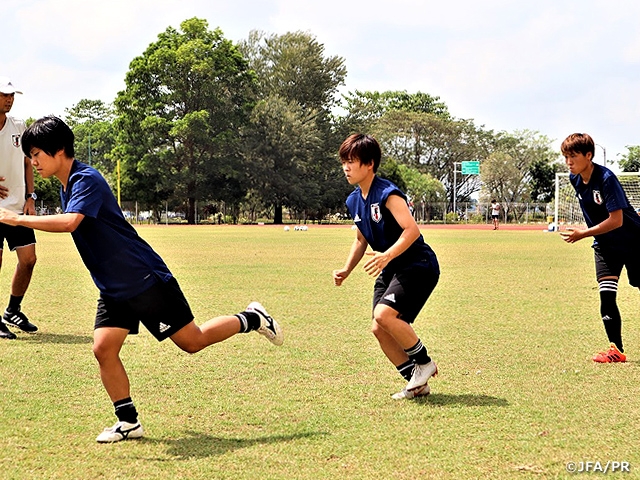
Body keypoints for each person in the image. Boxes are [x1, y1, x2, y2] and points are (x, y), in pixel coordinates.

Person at [0, 116, 284, 442]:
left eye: (36, 154)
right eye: (30, 155)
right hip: (114, 287)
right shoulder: (67, 186)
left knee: (193, 341)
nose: (32, 162)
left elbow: (71, 223)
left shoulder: (85, 179)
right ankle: (128, 422)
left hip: (143, 279)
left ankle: (252, 318)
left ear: (59, 149)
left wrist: (17, 218)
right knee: (104, 348)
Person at [333, 133, 440, 400]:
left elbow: (411, 230)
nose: (346, 167)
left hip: (417, 263)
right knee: (378, 328)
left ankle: (425, 363)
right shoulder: (353, 200)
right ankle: (416, 383)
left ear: (369, 164)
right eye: (344, 161)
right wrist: (346, 270)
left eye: (352, 161)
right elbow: (360, 239)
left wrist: (387, 255)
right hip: (391, 266)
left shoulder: (387, 193)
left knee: (384, 315)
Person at [560, 133, 640, 363]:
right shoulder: (574, 179)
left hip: (634, 242)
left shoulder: (606, 178)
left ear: (589, 155)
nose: (569, 162)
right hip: (605, 246)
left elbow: (617, 220)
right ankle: (616, 350)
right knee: (606, 295)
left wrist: (583, 233)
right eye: (566, 157)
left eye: (573, 156)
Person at [0, 76, 38, 340]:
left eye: (12, 95)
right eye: (5, 95)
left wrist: (30, 196)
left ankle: (12, 311)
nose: (9, 99)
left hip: (17, 209)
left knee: (29, 260)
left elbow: (28, 163)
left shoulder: (19, 126)